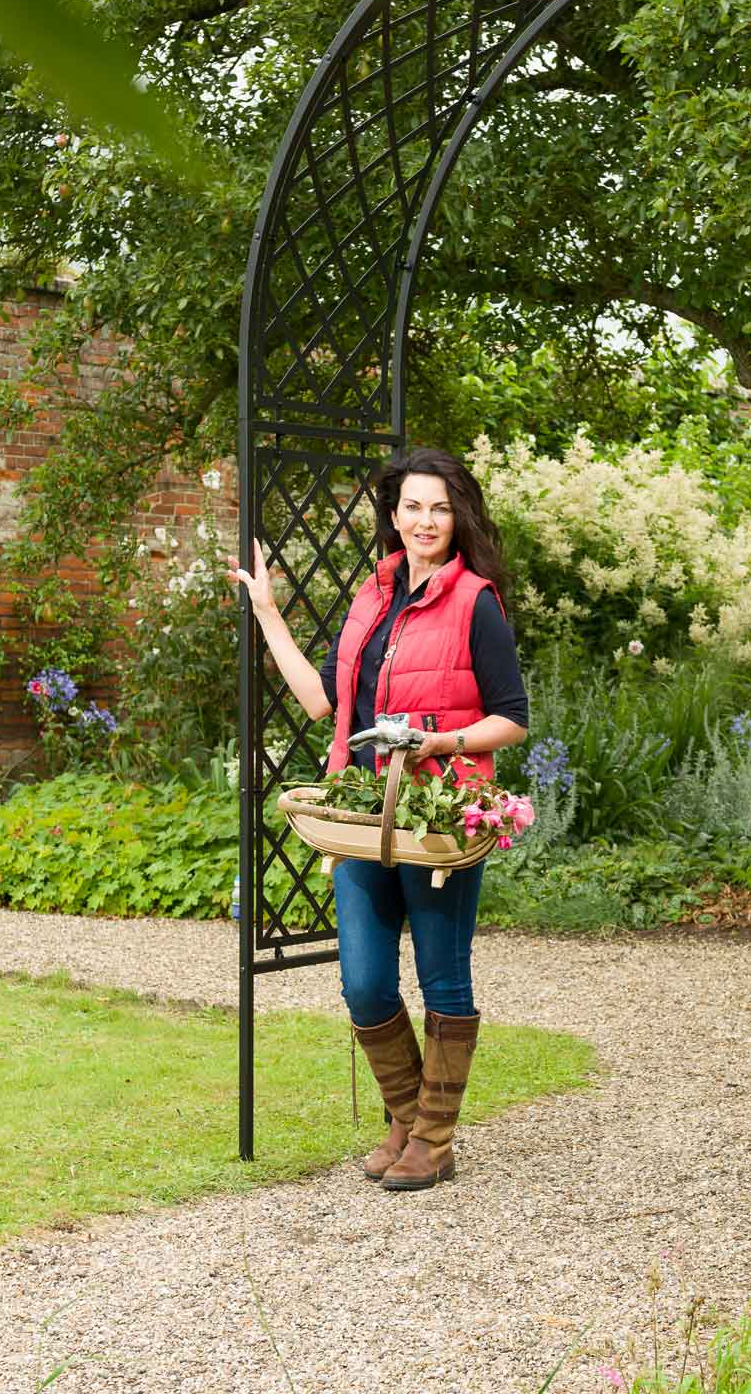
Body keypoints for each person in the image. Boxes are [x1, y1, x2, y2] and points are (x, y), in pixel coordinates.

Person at [227, 446, 528, 1191]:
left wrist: (441, 742)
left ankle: (433, 1138)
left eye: (440, 507)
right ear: (394, 517)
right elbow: (322, 702)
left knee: (441, 977)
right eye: (413, 507)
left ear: (457, 518)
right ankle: (407, 1115)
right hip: (365, 817)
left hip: (439, 821)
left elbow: (512, 719)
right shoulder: (372, 597)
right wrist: (267, 613)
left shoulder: (475, 601)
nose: (426, 520)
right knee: (363, 983)